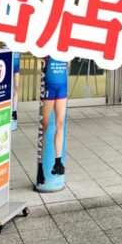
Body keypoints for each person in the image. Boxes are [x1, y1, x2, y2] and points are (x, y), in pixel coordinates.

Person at [36, 56, 68, 185]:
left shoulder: (65, 49)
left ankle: (58, 163)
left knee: (60, 124)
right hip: (48, 87)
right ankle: (40, 166)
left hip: (62, 86)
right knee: (44, 126)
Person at [11, 51, 20, 130]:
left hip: (16, 66)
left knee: (16, 88)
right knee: (10, 89)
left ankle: (14, 112)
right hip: (9, 64)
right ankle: (10, 112)